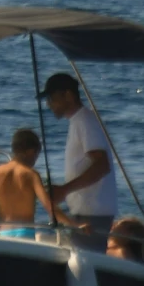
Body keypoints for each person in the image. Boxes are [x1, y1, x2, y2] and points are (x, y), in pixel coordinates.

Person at [42, 71, 119, 242]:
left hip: (92, 215)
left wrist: (64, 190)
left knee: (85, 264)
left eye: (52, 99)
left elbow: (102, 165)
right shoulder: (78, 121)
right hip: (85, 213)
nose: (49, 105)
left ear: (68, 95)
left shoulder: (85, 121)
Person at [0, 128, 62, 234]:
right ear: (31, 152)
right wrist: (73, 224)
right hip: (25, 232)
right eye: (36, 154)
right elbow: (50, 208)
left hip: (4, 233)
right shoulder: (31, 174)